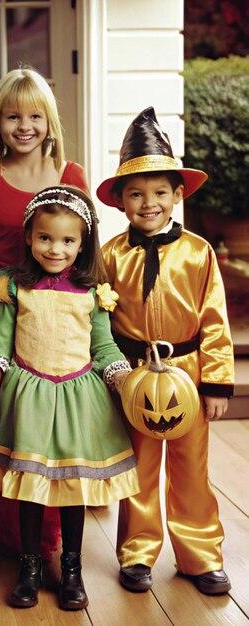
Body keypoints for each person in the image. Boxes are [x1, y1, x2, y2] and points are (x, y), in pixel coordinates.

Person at [0, 185, 139, 610]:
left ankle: (71, 568)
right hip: (29, 398)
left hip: (80, 400)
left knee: (73, 488)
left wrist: (126, 383)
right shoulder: (14, 290)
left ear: (83, 243)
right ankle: (31, 566)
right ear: (28, 236)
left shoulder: (93, 292)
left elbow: (104, 348)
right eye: (45, 238)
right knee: (29, 486)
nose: (55, 249)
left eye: (67, 240)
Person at [97, 107, 235, 596]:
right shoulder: (111, 254)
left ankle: (200, 554)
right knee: (138, 468)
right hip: (134, 376)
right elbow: (101, 318)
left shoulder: (198, 252)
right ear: (120, 201)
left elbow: (214, 319)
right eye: (136, 193)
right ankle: (137, 552)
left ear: (177, 195)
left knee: (190, 467)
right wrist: (110, 375)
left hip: (188, 373)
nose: (148, 203)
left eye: (159, 193)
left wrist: (216, 381)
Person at [0, 67, 89, 557]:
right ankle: (6, 530)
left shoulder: (72, 175)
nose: (24, 126)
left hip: (60, 316)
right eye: (12, 116)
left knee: (57, 425)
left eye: (35, 115)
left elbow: (84, 251)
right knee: (9, 421)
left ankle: (52, 537)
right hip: (6, 307)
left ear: (50, 121)